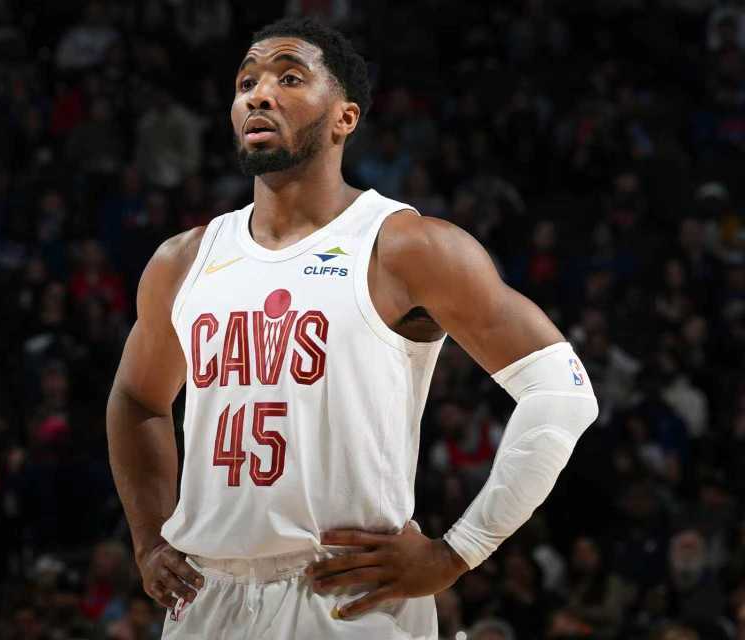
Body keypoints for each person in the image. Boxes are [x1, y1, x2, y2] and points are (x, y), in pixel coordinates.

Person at [106, 16, 598, 640]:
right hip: (208, 596)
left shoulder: (406, 245)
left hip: (345, 595)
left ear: (346, 117)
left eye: (289, 78)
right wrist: (149, 540)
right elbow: (137, 399)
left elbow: (562, 392)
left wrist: (459, 551)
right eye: (246, 82)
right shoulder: (183, 259)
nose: (259, 95)